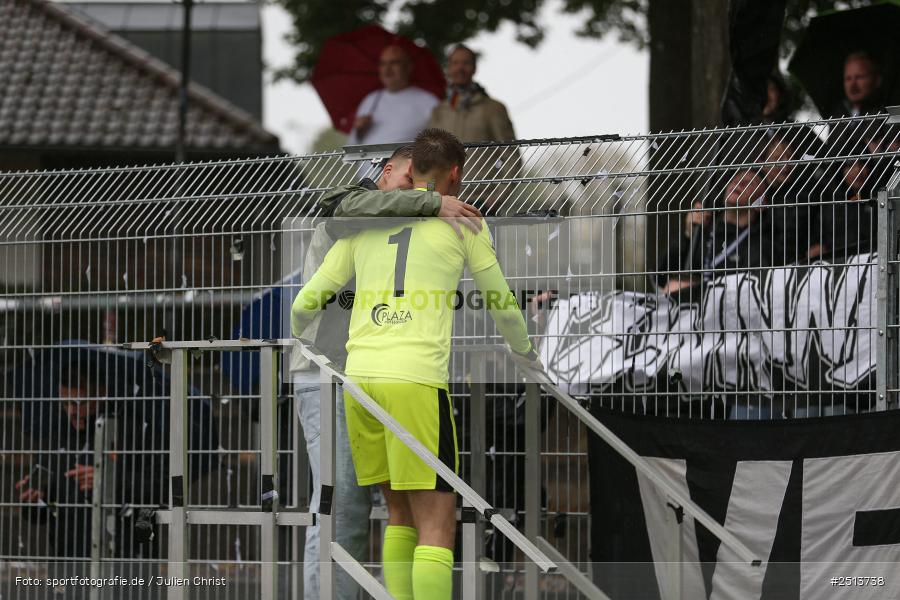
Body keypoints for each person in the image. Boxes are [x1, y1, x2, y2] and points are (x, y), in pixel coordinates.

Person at [291, 128, 540, 600]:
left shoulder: (364, 225)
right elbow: (502, 303)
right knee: (438, 525)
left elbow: (304, 303)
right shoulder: (464, 221)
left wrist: (309, 344)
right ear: (455, 173)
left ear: (413, 171)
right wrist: (525, 352)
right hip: (416, 381)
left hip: (359, 382)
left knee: (399, 515)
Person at [657, 168, 776, 294]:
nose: (739, 183)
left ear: (761, 203)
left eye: (750, 183)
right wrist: (687, 236)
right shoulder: (703, 233)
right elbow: (661, 277)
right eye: (736, 179)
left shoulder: (760, 245)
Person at [348, 45, 439, 146]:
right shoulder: (370, 100)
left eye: (394, 62)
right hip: (366, 161)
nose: (387, 69)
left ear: (409, 66)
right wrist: (359, 132)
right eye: (383, 64)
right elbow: (351, 145)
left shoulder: (429, 102)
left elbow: (438, 145)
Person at [426, 44, 516, 143]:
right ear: (449, 68)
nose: (460, 68)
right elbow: (430, 154)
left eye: (466, 63)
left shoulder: (494, 109)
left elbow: (510, 153)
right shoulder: (438, 111)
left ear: (474, 68)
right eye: (455, 63)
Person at [835, 51, 884, 117]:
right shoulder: (838, 113)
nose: (852, 85)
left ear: (877, 80)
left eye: (859, 77)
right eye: (848, 78)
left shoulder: (886, 114)